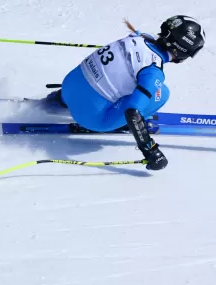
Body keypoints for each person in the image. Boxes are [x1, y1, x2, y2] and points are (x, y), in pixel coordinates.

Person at [47, 15, 205, 171]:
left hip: (68, 87)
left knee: (121, 78)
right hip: (90, 119)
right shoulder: (153, 71)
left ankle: (58, 100)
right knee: (161, 93)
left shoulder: (138, 37)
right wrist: (151, 150)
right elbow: (132, 111)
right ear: (183, 51)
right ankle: (119, 122)